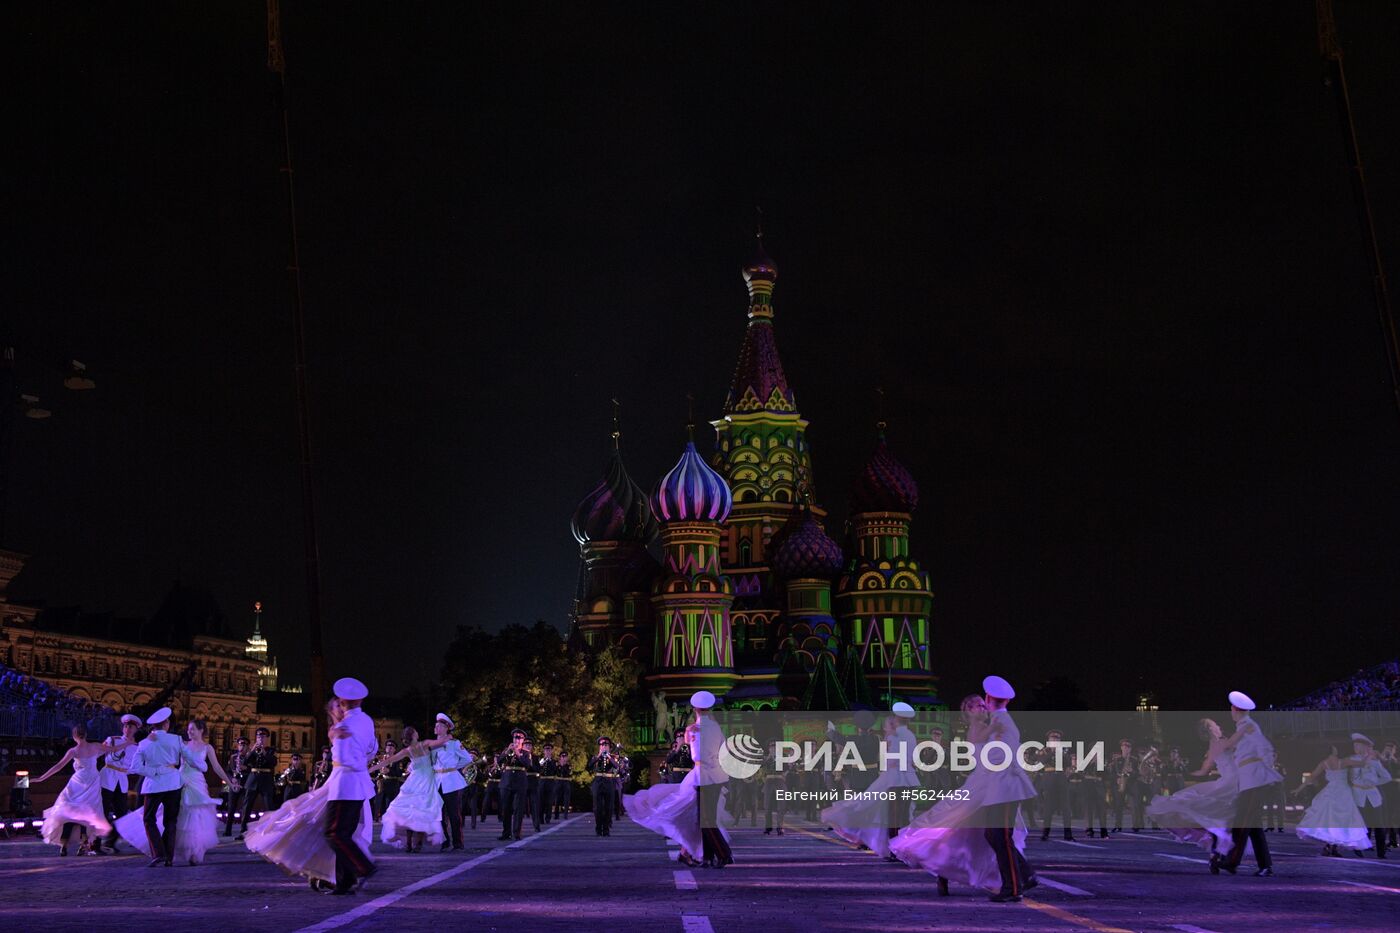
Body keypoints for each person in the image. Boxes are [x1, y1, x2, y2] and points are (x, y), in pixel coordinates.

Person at [890, 692, 1031, 898]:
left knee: (985, 834)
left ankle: (1019, 877)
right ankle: (944, 874)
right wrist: (993, 725)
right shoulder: (978, 728)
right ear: (967, 711)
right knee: (957, 828)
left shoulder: (993, 726)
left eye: (983, 705)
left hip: (989, 785)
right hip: (980, 787)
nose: (982, 708)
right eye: (976, 706)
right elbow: (977, 740)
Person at [245, 699, 375, 889]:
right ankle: (342, 874)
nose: (342, 708)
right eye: (336, 706)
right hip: (338, 785)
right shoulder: (337, 730)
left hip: (349, 785)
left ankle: (345, 875)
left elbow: (368, 749)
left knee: (340, 833)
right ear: (331, 712)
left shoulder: (350, 726)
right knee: (325, 829)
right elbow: (349, 755)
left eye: (342, 705)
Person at [116, 718, 234, 865]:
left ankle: (192, 851)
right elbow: (163, 747)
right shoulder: (181, 742)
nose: (189, 732)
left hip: (196, 783)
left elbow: (216, 767)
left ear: (201, 730)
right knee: (175, 818)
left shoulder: (207, 747)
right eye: (188, 729)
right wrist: (150, 738)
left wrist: (229, 783)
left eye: (193, 729)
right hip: (179, 780)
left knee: (195, 817)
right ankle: (168, 853)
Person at [821, 706, 920, 859]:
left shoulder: (892, 736)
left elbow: (891, 760)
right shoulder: (902, 736)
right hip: (900, 777)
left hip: (890, 777)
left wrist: (831, 731)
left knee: (882, 812)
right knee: (903, 815)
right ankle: (902, 846)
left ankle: (893, 847)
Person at [976, 675, 1037, 902]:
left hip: (1004, 786)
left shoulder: (1000, 723)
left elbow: (999, 756)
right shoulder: (998, 721)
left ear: (988, 697)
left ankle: (1013, 887)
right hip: (1000, 786)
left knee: (999, 836)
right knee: (993, 835)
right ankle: (1025, 875)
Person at [1213, 690, 1281, 877]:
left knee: (1242, 823)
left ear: (1236, 709)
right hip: (1249, 780)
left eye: (1231, 709)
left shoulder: (1248, 726)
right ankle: (1265, 866)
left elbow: (1262, 748)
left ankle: (1232, 862)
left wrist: (1267, 770)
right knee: (1253, 827)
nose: (1230, 712)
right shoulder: (1245, 726)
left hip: (1254, 780)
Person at [1145, 718, 1238, 854]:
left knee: (1210, 809)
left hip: (1228, 780)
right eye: (1215, 725)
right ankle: (1222, 844)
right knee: (1220, 810)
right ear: (1211, 729)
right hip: (1233, 781)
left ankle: (1219, 844)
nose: (1219, 726)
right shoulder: (1222, 742)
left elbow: (1203, 770)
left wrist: (1188, 772)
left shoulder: (1213, 746)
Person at [35, 723, 129, 856]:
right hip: (92, 780)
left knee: (68, 808)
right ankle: (85, 842)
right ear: (86, 735)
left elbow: (58, 766)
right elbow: (114, 749)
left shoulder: (74, 750)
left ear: (74, 736)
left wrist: (41, 778)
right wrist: (127, 744)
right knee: (89, 811)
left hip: (78, 781)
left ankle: (66, 843)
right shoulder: (95, 746)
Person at [323, 677, 379, 894]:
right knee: (345, 832)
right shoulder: (366, 720)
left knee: (334, 833)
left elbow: (345, 758)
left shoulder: (344, 726)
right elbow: (372, 749)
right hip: (360, 784)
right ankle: (345, 881)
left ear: (343, 702)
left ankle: (363, 866)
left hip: (344, 784)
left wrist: (335, 735)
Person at [372, 725, 452, 851]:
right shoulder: (424, 744)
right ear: (414, 735)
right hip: (426, 780)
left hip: (414, 780)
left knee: (410, 812)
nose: (417, 732)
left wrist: (370, 769)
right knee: (422, 811)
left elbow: (386, 762)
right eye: (416, 731)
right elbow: (441, 741)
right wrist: (448, 733)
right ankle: (418, 843)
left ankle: (409, 843)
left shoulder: (407, 750)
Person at [1294, 742, 1370, 857]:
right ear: (1332, 750)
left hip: (1330, 791)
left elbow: (1312, 777)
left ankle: (1329, 847)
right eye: (1335, 748)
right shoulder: (1343, 761)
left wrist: (1298, 789)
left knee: (1328, 820)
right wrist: (1368, 754)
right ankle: (1333, 847)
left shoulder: (1323, 763)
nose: (1336, 749)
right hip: (1343, 792)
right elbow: (1363, 764)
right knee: (1342, 820)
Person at [132, 707, 185, 867]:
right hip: (173, 783)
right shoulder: (176, 739)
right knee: (171, 820)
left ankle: (158, 853)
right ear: (166, 723)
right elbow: (189, 758)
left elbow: (135, 767)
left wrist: (154, 771)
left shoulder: (144, 743)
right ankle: (168, 857)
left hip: (153, 785)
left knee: (149, 819)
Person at [689, 690, 733, 868]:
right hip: (717, 775)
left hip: (705, 776)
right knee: (707, 819)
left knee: (706, 821)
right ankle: (708, 856)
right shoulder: (715, 727)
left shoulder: (696, 729)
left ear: (695, 709)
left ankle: (724, 854)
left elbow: (696, 755)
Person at [93, 713, 142, 855]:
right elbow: (98, 753)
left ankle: (110, 842)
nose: (128, 729)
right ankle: (95, 844)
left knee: (122, 814)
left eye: (131, 727)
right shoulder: (113, 740)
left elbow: (135, 766)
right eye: (126, 726)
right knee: (102, 811)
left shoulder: (137, 747)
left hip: (122, 780)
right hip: (107, 778)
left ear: (136, 730)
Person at [431, 713, 473, 850]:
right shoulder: (433, 745)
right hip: (437, 781)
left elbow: (467, 759)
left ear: (446, 728)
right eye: (436, 725)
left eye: (439, 726)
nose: (436, 728)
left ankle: (458, 842)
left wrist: (454, 767)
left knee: (454, 814)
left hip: (451, 781)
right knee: (439, 814)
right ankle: (445, 840)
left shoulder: (454, 743)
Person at [1346, 733, 1392, 858]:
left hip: (1373, 796)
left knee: (1379, 825)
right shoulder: (1353, 760)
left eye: (1358, 745)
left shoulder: (1375, 762)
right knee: (1360, 825)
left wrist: (1373, 782)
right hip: (1358, 795)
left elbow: (1387, 777)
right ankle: (1358, 847)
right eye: (1355, 745)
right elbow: (1353, 778)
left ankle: (1381, 852)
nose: (1356, 748)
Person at [232, 727, 277, 840]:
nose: (260, 739)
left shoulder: (271, 750)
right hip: (252, 779)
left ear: (266, 738)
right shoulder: (253, 750)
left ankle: (270, 831)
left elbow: (273, 762)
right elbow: (245, 762)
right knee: (246, 806)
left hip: (266, 780)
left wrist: (264, 752)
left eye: (262, 737)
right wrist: (252, 750)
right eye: (258, 737)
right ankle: (243, 832)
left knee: (269, 806)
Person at [1037, 729, 1074, 842]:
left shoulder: (1065, 750)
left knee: (1066, 808)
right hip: (1049, 777)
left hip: (1061, 778)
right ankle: (1045, 833)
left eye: (1057, 738)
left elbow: (1068, 763)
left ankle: (1068, 834)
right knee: (1048, 807)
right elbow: (1042, 761)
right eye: (1053, 738)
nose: (1055, 740)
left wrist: (1060, 752)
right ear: (1048, 740)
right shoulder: (1044, 750)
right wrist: (1052, 751)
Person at [498, 729, 532, 840]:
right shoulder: (507, 750)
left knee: (518, 809)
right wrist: (507, 751)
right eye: (515, 738)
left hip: (520, 783)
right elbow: (499, 761)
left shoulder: (526, 753)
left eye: (519, 738)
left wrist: (518, 753)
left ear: (522, 740)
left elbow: (527, 765)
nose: (516, 740)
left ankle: (516, 833)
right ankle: (506, 833)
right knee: (506, 809)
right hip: (506, 782)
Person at [589, 736, 621, 837]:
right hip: (598, 782)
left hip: (609, 782)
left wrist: (609, 757)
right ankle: (598, 828)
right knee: (597, 807)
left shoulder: (612, 757)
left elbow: (617, 767)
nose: (604, 746)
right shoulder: (595, 757)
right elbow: (589, 766)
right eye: (602, 745)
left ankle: (606, 829)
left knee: (609, 807)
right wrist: (599, 755)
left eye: (606, 745)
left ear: (609, 747)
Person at [222, 736, 250, 837]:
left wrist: (245, 768)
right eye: (240, 744)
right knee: (231, 807)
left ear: (247, 746)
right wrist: (231, 779)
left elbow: (253, 771)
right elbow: (228, 771)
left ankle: (243, 831)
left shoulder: (250, 757)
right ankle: (228, 830)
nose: (241, 746)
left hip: (246, 784)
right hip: (235, 784)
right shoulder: (233, 757)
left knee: (245, 808)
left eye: (244, 745)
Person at [372, 740, 405, 821]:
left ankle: (389, 819)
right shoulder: (381, 758)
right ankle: (377, 816)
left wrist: (389, 771)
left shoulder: (397, 759)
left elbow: (399, 773)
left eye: (391, 747)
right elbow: (375, 770)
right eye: (387, 746)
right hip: (382, 782)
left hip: (392, 784)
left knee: (389, 803)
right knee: (378, 801)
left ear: (394, 749)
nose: (389, 748)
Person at [537, 743, 559, 825]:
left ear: (551, 751)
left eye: (549, 750)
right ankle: (540, 818)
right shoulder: (541, 760)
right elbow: (538, 767)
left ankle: (548, 818)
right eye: (546, 750)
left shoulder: (554, 761)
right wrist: (544, 760)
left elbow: (556, 771)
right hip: (542, 781)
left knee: (549, 801)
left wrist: (550, 760)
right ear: (544, 751)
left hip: (550, 782)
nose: (547, 751)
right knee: (541, 800)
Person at [554, 751, 572, 818]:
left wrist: (563, 765)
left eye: (565, 757)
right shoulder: (557, 765)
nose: (563, 758)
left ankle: (565, 814)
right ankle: (556, 814)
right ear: (560, 757)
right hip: (558, 782)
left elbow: (568, 773)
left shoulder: (568, 766)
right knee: (557, 799)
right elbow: (555, 772)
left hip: (566, 782)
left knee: (566, 799)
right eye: (562, 756)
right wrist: (560, 765)